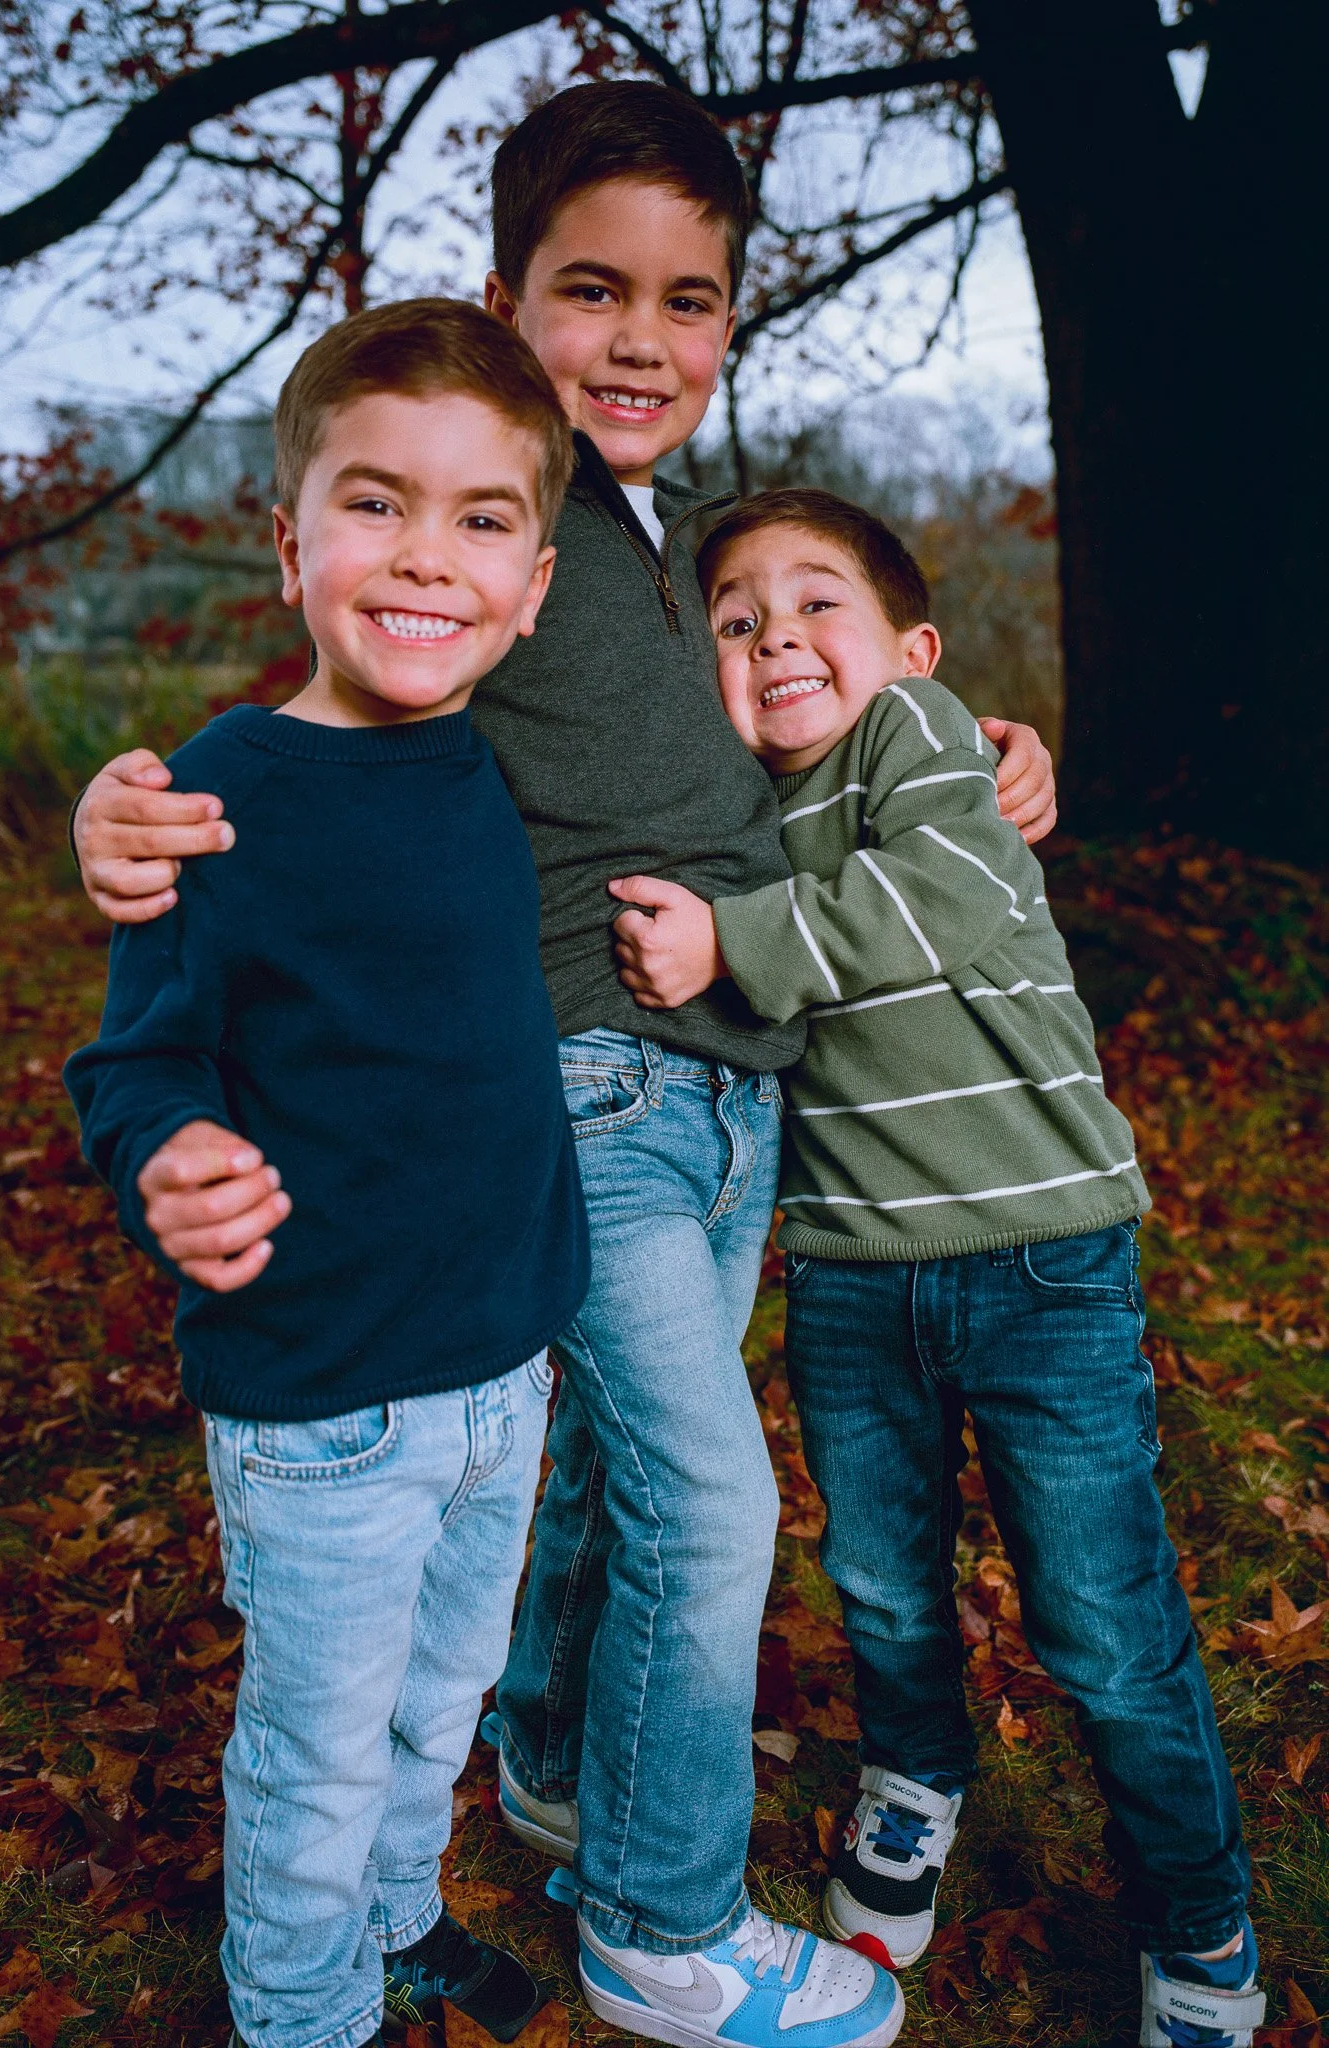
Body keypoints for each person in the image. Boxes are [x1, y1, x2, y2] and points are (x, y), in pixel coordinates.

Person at [68, 84, 1059, 2048]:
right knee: (710, 1507)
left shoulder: (638, 545)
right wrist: (127, 808)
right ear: (504, 297)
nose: (638, 339)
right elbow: (337, 678)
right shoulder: (478, 513)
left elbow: (739, 778)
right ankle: (657, 1925)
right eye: (587, 290)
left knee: (592, 1489)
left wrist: (963, 753)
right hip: (586, 1087)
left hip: (705, 1094)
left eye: (686, 302)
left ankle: (532, 1768)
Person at [610, 486, 1263, 2048]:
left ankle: (1203, 1916)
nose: (775, 635)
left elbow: (947, 897)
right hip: (849, 1276)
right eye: (737, 620)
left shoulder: (924, 743)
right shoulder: (736, 813)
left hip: (1040, 1256)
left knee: (1101, 1618)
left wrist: (733, 944)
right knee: (885, 1586)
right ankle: (916, 1782)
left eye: (815, 601)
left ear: (911, 646)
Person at [65, 299, 592, 2048]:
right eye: (376, 504)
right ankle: (303, 2014)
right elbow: (136, 1057)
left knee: (443, 1709)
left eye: (482, 519)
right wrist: (174, 1148)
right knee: (316, 1744)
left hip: (502, 1374)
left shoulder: (498, 765)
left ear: (528, 584)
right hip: (322, 1407)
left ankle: (398, 1918)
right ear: (292, 545)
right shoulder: (220, 796)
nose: (425, 555)